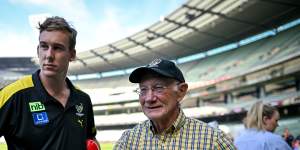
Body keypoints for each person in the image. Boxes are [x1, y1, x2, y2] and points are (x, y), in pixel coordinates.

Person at [0, 16, 100, 150]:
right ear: (38, 50)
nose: (49, 55)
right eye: (44, 46)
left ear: (72, 54)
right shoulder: (12, 96)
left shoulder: (83, 99)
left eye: (57, 48)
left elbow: (90, 139)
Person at [114, 58, 235, 150]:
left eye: (158, 88)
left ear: (181, 91)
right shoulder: (128, 141)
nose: (149, 98)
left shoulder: (213, 140)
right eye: (143, 90)